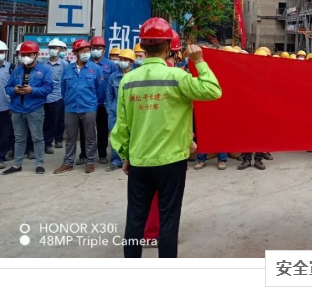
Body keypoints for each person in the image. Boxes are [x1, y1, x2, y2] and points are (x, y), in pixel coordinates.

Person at [111, 18, 222, 258]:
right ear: (170, 46)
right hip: (172, 162)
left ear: (142, 45)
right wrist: (199, 61)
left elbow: (121, 126)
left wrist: (125, 155)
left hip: (139, 161)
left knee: (135, 220)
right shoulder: (178, 77)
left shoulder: (128, 80)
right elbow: (213, 90)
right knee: (168, 221)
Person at [54, 39, 105, 174]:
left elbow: (100, 90)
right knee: (70, 137)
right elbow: (63, 88)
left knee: (90, 136)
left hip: (88, 107)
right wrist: (69, 100)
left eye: (88, 50)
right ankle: (68, 162)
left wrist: (92, 102)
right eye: (83, 51)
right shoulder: (68, 69)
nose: (87, 53)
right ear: (76, 53)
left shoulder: (96, 69)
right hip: (71, 107)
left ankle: (90, 162)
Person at [2, 41, 53, 175]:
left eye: (29, 54)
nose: (25, 57)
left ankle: (39, 164)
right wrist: (15, 90)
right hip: (17, 109)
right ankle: (17, 165)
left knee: (37, 138)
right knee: (19, 139)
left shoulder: (44, 70)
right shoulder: (17, 70)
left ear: (36, 55)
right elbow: (7, 88)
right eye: (23, 54)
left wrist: (32, 90)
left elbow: (48, 88)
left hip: (35, 109)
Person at [85, 36, 117, 166]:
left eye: (99, 48)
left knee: (103, 129)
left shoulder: (110, 65)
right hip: (88, 103)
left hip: (103, 103)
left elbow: (115, 83)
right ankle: (85, 155)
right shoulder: (86, 63)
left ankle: (102, 154)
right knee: (87, 130)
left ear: (104, 50)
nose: (96, 50)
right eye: (94, 48)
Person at [105, 49, 136, 172]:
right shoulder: (113, 76)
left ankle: (132, 160)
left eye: (126, 59)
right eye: (121, 59)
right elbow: (109, 95)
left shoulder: (136, 75)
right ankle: (116, 161)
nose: (123, 62)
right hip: (115, 111)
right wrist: (109, 109)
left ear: (131, 61)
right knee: (115, 136)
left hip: (132, 110)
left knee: (133, 135)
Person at [42, 39, 68, 154]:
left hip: (57, 97)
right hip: (43, 97)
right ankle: (46, 142)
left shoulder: (64, 64)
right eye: (51, 48)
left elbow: (66, 81)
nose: (53, 50)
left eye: (55, 48)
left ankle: (55, 140)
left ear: (60, 50)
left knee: (57, 121)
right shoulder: (43, 63)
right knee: (45, 121)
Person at [0, 40, 16, 169]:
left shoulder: (11, 68)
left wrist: (13, 105)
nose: (0, 54)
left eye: (2, 52)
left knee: (5, 134)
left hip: (6, 107)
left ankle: (1, 157)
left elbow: (15, 87)